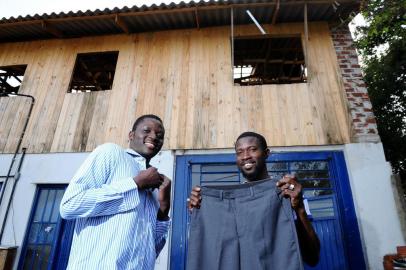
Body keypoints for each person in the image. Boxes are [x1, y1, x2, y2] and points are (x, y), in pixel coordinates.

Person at [188, 131, 320, 266]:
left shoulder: (287, 192)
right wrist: (201, 209)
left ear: (266, 153)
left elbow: (313, 257)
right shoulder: (229, 203)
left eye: (252, 150)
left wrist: (299, 209)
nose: (245, 156)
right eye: (239, 152)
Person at [60, 114, 171, 270]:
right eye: (147, 130)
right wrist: (135, 183)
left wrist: (164, 208)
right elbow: (70, 205)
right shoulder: (110, 153)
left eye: (159, 135)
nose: (153, 136)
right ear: (131, 135)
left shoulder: (155, 184)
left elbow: (152, 250)